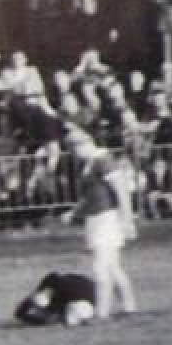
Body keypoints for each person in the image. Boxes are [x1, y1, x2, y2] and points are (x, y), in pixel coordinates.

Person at [59, 131, 139, 320]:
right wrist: (74, 213)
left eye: (74, 149)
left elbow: (121, 190)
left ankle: (101, 312)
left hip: (107, 218)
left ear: (85, 144)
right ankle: (129, 307)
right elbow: (89, 196)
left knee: (101, 267)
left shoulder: (103, 159)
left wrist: (127, 219)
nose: (73, 154)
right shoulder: (88, 164)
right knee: (112, 267)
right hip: (95, 219)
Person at [13, 272, 98, 327]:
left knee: (62, 322)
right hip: (88, 303)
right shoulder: (57, 286)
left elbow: (20, 312)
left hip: (82, 305)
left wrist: (35, 321)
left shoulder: (52, 289)